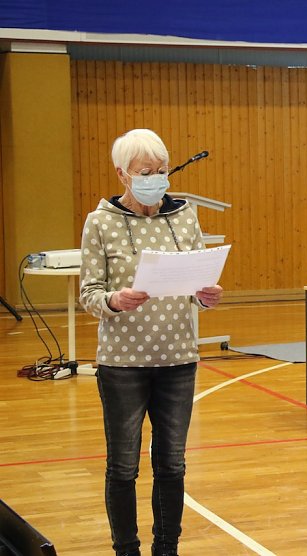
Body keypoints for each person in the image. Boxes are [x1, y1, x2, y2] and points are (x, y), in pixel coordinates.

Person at [79, 129, 223, 556]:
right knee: (123, 467)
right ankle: (126, 550)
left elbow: (200, 279)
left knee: (172, 465)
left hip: (178, 360)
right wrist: (115, 300)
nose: (156, 179)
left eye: (162, 171)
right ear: (123, 174)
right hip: (122, 364)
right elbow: (89, 293)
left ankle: (167, 548)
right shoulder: (100, 221)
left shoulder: (185, 216)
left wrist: (207, 294)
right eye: (146, 172)